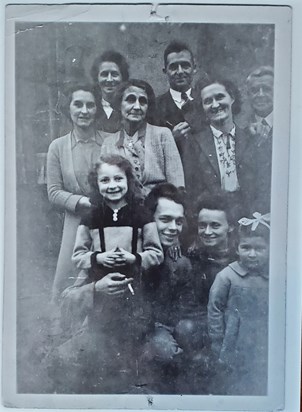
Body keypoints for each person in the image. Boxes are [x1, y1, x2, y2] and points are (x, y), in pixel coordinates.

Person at [50, 154, 163, 394]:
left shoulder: (141, 215)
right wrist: (98, 258)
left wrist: (135, 258)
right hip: (100, 291)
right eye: (105, 180)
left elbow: (156, 252)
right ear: (97, 184)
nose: (112, 186)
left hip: (135, 288)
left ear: (128, 181)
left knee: (133, 338)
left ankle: (134, 385)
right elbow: (78, 255)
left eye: (118, 179)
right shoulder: (90, 217)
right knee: (101, 339)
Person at [47, 83, 105, 307]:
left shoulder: (109, 141)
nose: (84, 111)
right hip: (76, 221)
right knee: (69, 278)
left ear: (97, 109)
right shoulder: (58, 147)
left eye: (90, 105)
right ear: (69, 109)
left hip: (106, 217)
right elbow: (53, 192)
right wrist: (80, 201)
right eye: (78, 104)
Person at [141, 183, 197, 393]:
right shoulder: (133, 253)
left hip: (163, 330)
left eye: (178, 221)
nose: (173, 228)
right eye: (165, 220)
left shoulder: (180, 262)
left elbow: (184, 308)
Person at [208, 212, 270, 395]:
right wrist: (217, 342)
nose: (252, 254)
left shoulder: (273, 277)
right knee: (235, 383)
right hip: (234, 341)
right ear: (237, 249)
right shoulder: (227, 276)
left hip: (263, 341)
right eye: (246, 247)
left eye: (259, 248)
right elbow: (215, 309)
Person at [182, 77, 255, 214]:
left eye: (220, 97)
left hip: (249, 214)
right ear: (202, 107)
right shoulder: (194, 143)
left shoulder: (250, 138)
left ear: (232, 98)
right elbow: (192, 190)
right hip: (212, 215)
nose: (215, 105)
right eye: (208, 101)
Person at [101, 79, 185, 197]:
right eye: (130, 100)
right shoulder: (108, 143)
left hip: (159, 208)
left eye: (142, 101)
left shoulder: (163, 135)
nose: (137, 107)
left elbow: (177, 184)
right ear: (119, 104)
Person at [155, 41, 204, 157]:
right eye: (173, 67)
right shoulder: (154, 107)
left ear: (194, 68)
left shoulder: (207, 102)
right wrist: (171, 139)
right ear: (165, 71)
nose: (180, 71)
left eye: (185, 65)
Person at [246, 66, 274, 213]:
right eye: (255, 90)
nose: (260, 95)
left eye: (266, 89)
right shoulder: (241, 130)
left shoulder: (291, 129)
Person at [90, 50, 129, 132]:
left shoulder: (130, 108)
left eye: (114, 74)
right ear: (97, 78)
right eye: (104, 74)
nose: (109, 79)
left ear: (123, 77)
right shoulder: (90, 108)